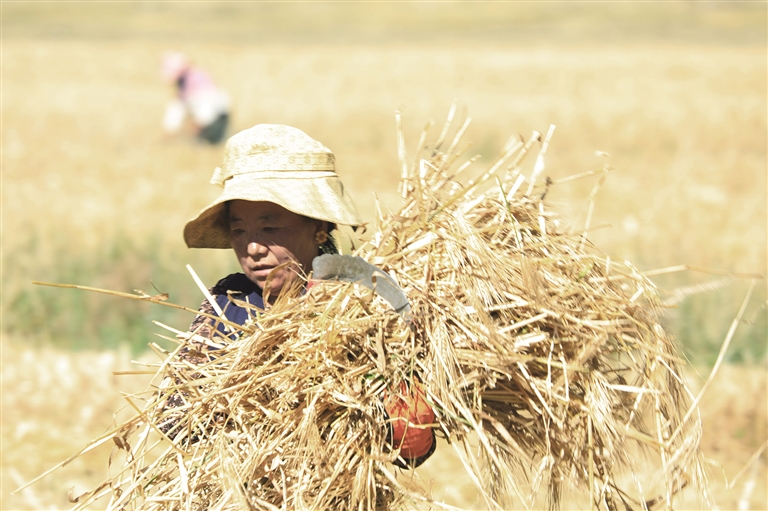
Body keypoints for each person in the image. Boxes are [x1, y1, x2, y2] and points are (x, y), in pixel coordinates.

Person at [173, 124, 436, 468]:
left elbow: (411, 451)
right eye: (238, 230)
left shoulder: (361, 306)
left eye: (270, 229)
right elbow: (175, 420)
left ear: (318, 226)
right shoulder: (227, 303)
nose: (252, 248)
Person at [161, 51, 230, 145]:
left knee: (211, 140)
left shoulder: (199, 87)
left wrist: (196, 125)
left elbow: (206, 110)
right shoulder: (186, 85)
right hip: (209, 115)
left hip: (215, 119)